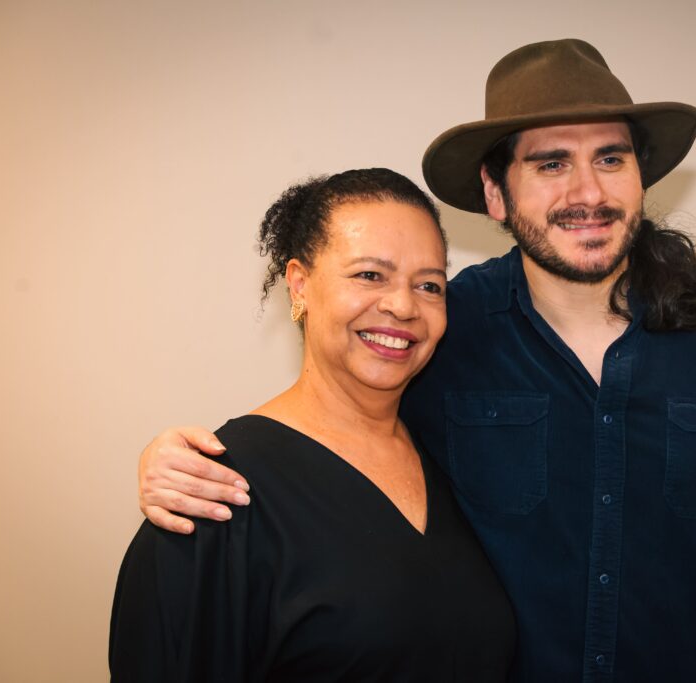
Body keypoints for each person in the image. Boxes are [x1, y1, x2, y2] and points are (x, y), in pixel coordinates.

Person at [133, 40, 696, 681]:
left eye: (610, 158)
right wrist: (172, 459)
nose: (588, 191)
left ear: (640, 175)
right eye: (551, 163)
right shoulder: (442, 335)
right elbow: (338, 443)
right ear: (495, 192)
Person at [110, 169, 515, 681]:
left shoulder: (450, 453)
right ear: (300, 284)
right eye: (370, 275)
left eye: (429, 285)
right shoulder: (212, 495)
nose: (403, 305)